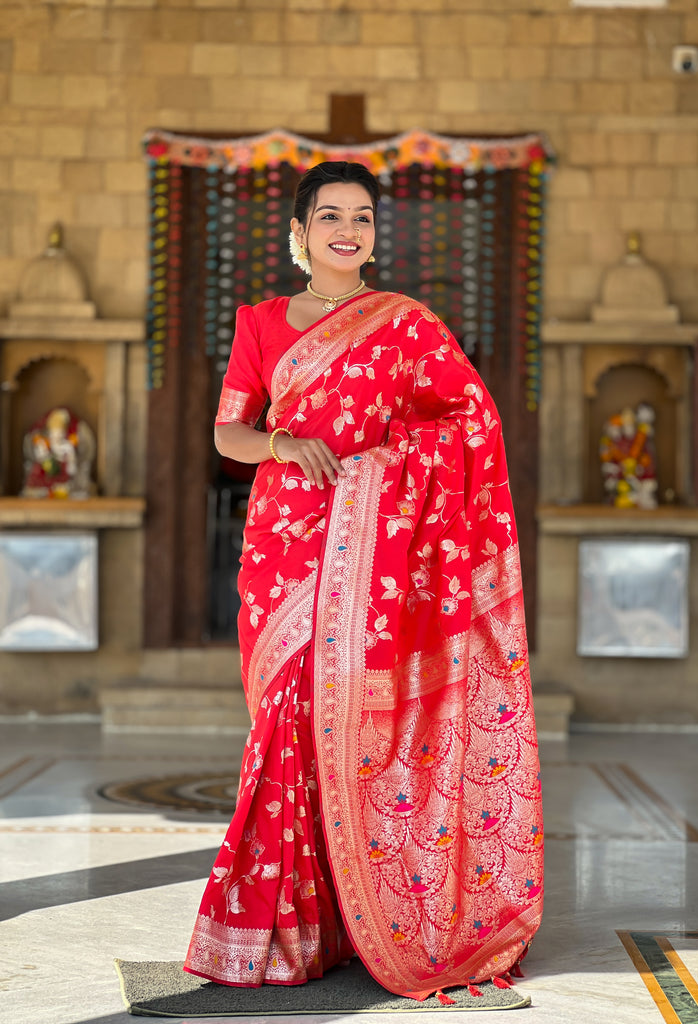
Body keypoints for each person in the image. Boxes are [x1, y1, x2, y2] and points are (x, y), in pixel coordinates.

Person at [184, 161, 543, 1001]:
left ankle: (343, 921)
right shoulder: (263, 322)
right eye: (332, 215)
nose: (350, 229)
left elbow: (471, 418)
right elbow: (228, 432)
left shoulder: (408, 327)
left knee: (343, 718)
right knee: (286, 718)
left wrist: (381, 463)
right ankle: (280, 927)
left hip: (378, 557)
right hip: (285, 544)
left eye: (365, 217)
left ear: (375, 236)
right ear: (299, 234)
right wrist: (282, 445)